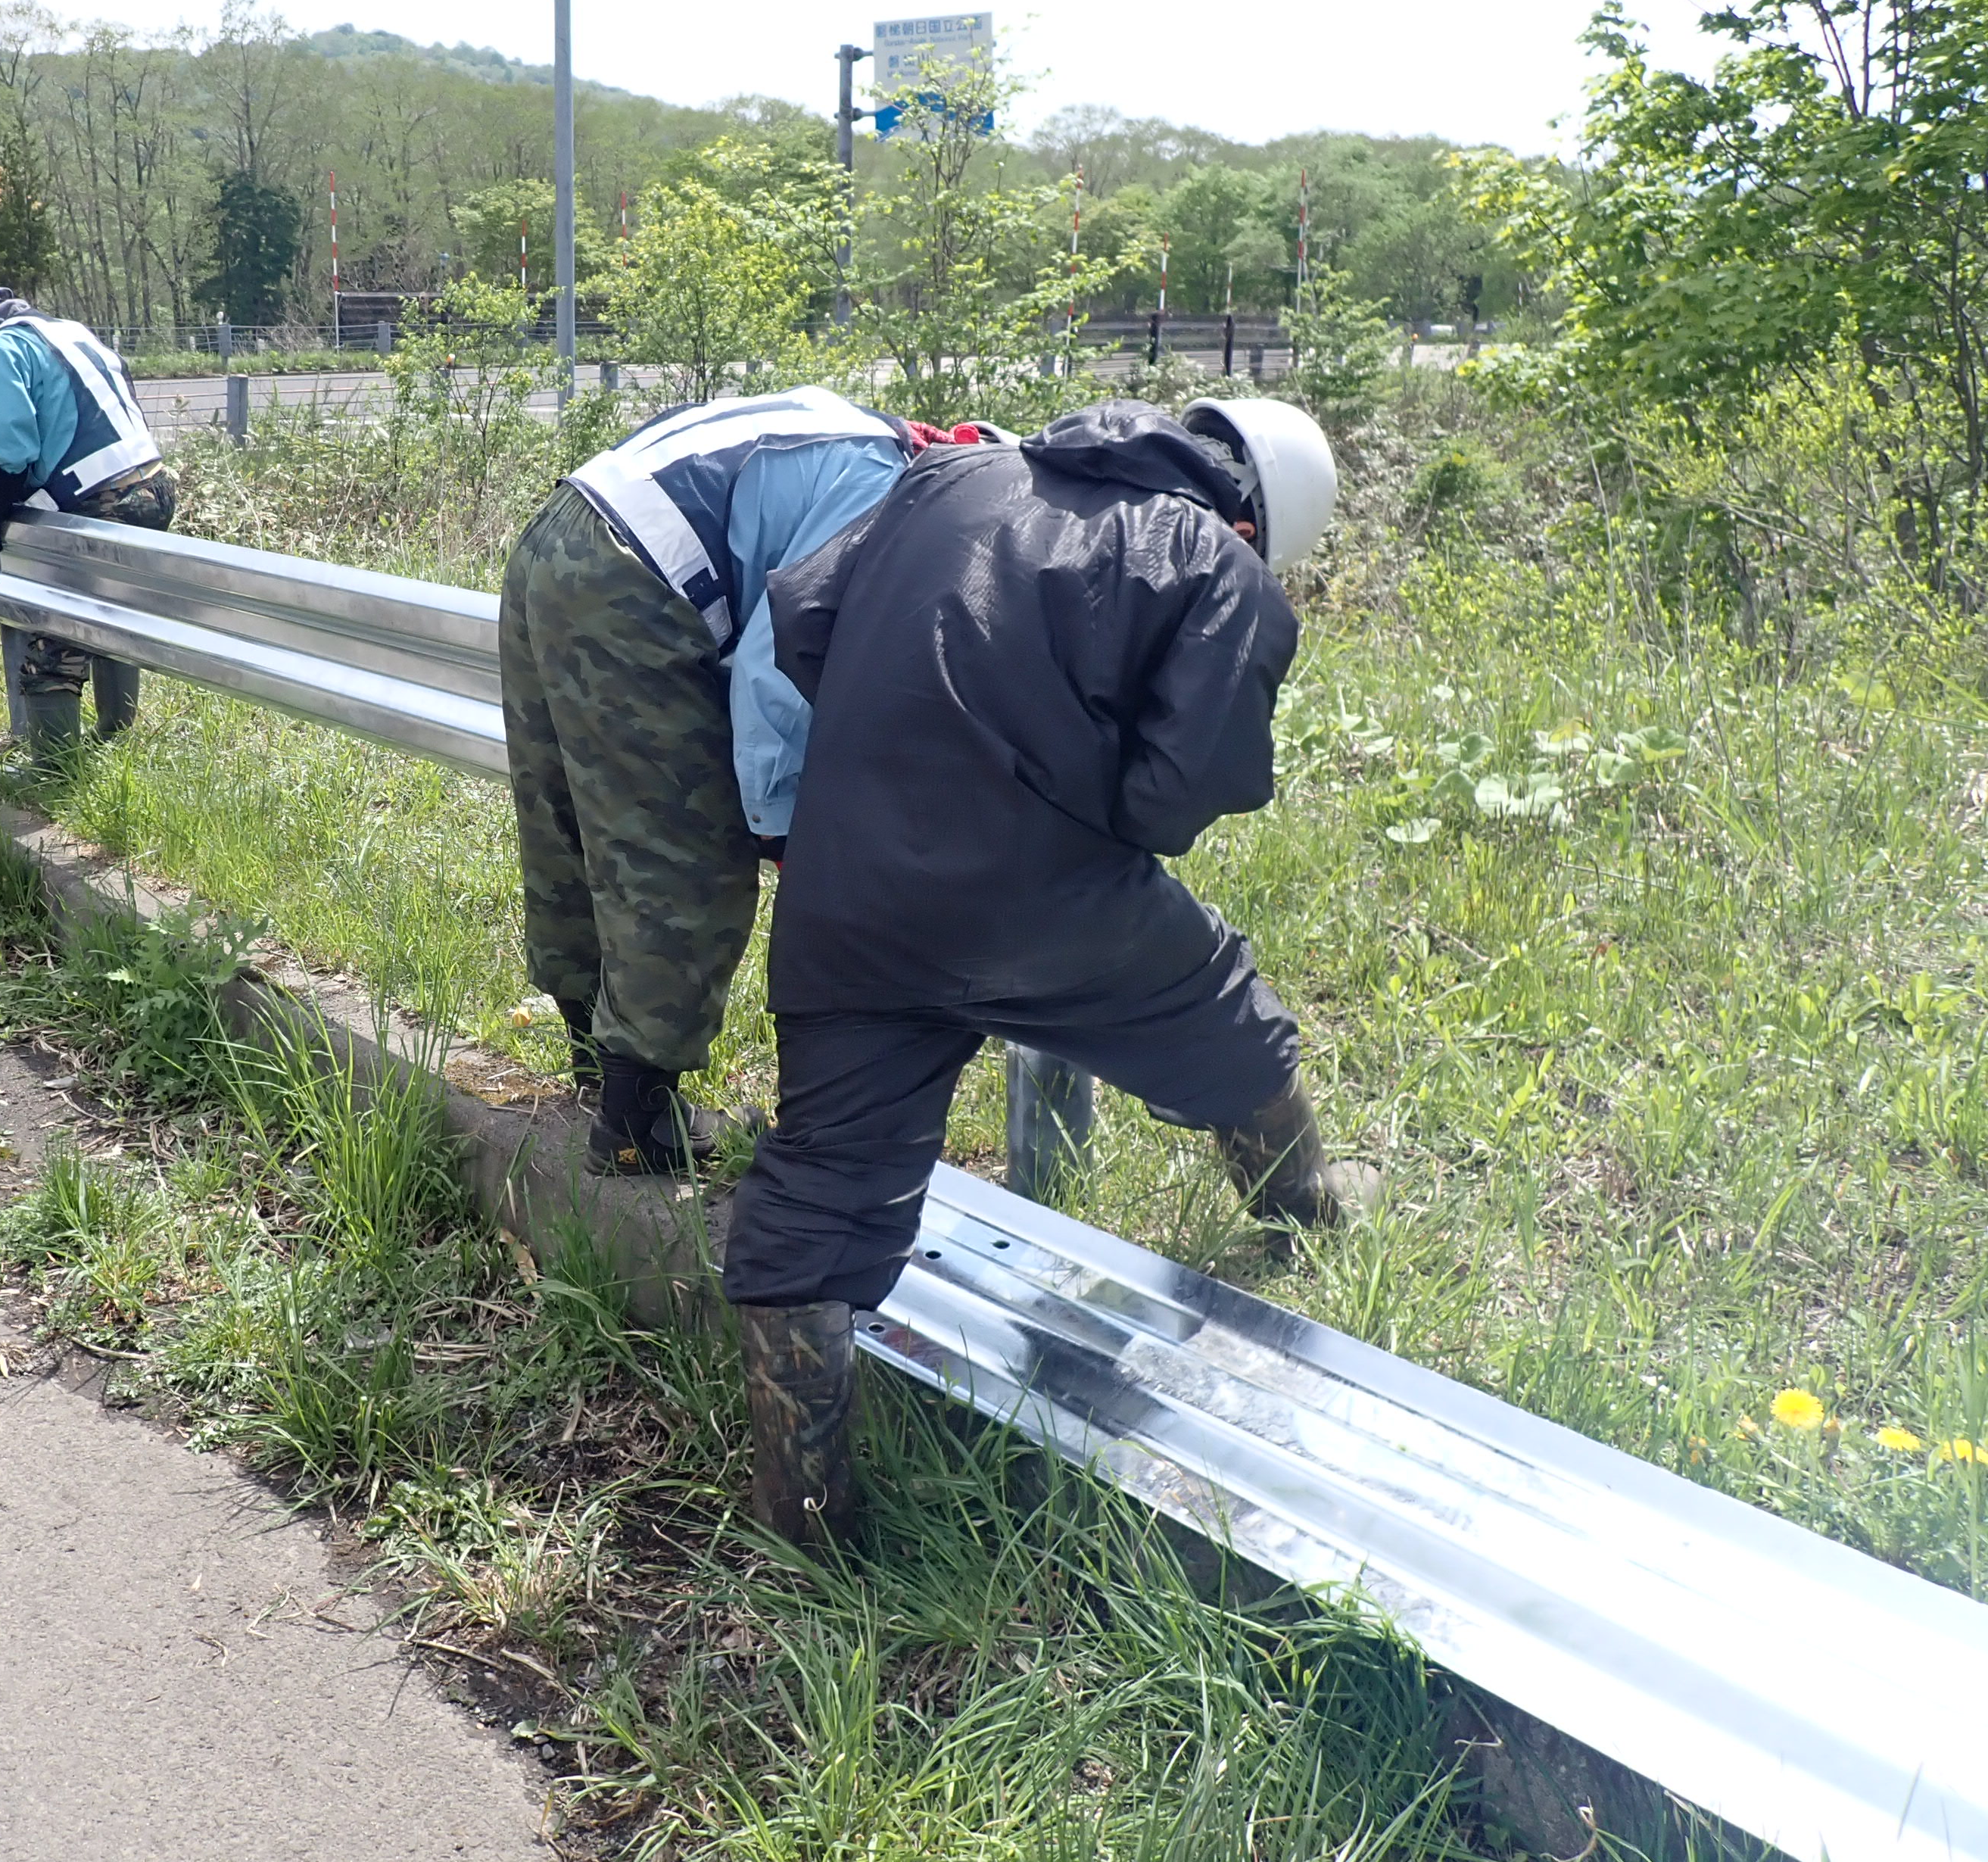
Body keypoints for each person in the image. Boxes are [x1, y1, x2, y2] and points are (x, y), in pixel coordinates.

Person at [719, 395, 1379, 1546]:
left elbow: (807, 622)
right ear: (1260, 520)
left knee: (821, 1188)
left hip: (850, 891)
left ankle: (804, 1518)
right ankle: (1305, 1217)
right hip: (1045, 898)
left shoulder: (949, 479)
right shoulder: (1213, 566)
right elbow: (1172, 802)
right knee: (1218, 1007)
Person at [498, 385, 1002, 1177]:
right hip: (637, 577)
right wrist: (781, 831)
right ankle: (637, 1125)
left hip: (560, 531)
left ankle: (599, 1070)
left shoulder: (854, 433)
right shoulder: (883, 492)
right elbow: (774, 677)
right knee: (679, 848)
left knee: (567, 819)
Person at [0, 274, 175, 742]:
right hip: (155, 487)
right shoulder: (69, 329)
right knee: (111, 612)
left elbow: (10, 449)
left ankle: (53, 773)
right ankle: (117, 734)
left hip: (100, 502)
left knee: (52, 640)